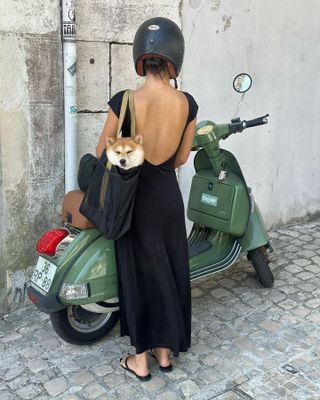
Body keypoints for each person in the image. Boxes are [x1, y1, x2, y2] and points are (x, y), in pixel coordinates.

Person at [96, 17, 198, 381]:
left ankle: (139, 361)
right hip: (168, 200)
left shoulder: (126, 101)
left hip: (134, 203)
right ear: (174, 59)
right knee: (170, 272)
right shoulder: (187, 104)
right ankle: (165, 353)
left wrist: (134, 148)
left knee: (137, 277)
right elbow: (182, 158)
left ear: (141, 57)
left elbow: (103, 153)